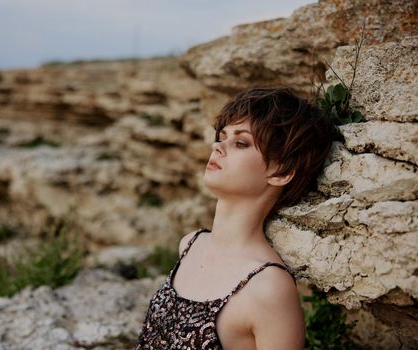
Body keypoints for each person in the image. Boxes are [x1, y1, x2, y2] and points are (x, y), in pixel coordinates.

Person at [135, 87, 336, 349]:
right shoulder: (190, 245)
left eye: (241, 143)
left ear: (282, 172)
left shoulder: (268, 287)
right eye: (222, 137)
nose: (218, 146)